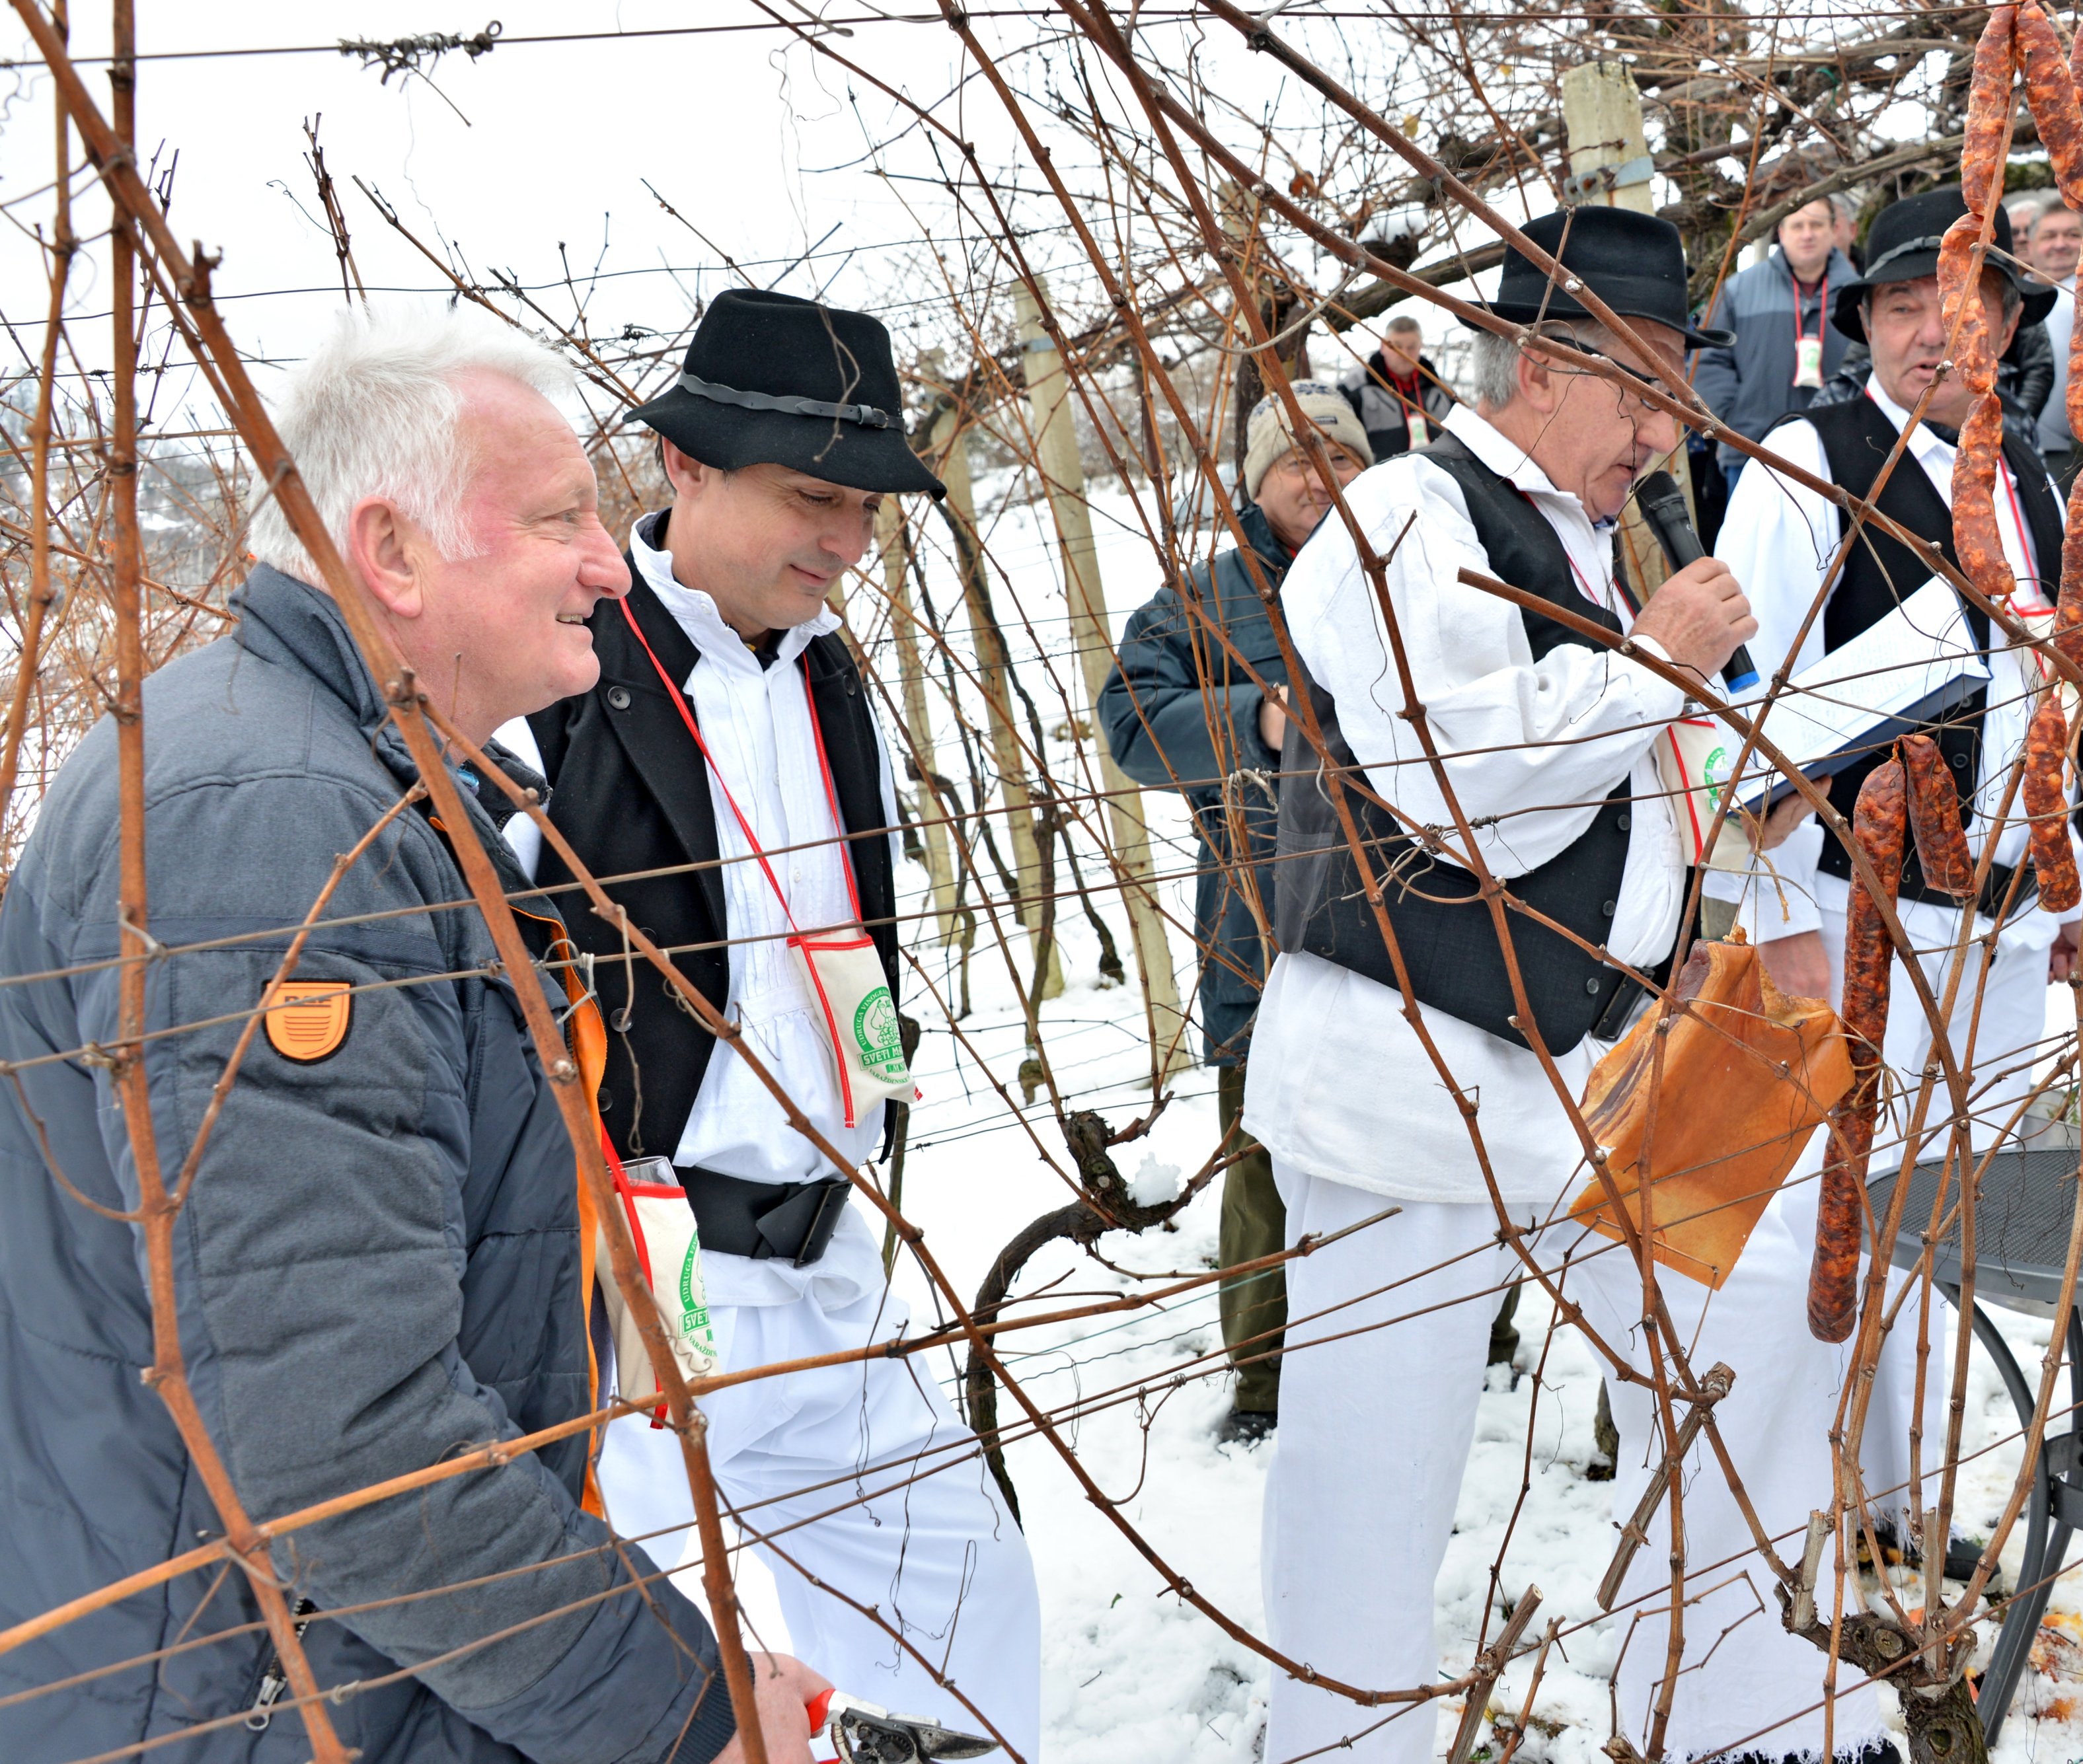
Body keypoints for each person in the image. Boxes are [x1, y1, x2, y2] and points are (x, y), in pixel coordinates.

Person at [0, 311, 823, 1761]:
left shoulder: (348, 771)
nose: (606, 560)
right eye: (562, 518)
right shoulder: (275, 825)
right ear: (389, 552)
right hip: (243, 1698)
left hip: (281, 1665)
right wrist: (682, 1713)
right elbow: (343, 1439)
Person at [1250, 203, 1911, 1764]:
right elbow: (1458, 788)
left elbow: (1614, 777)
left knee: (1763, 1290)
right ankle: (1342, 1747)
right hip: (1407, 1079)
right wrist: (1657, 662)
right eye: (1643, 387)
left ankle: (1718, 1689)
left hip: (1585, 1061)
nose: (1663, 427)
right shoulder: (1405, 515)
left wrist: (1706, 858)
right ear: (1540, 368)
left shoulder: (1583, 543)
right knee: (1373, 1465)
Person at [509, 290, 1041, 1753]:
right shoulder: (554, 671)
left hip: (827, 1257)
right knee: (672, 1696)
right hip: (636, 1281)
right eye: (811, 496)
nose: (846, 539)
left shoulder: (829, 674)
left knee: (964, 1605)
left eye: (866, 506)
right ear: (684, 468)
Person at [1718, 184, 2083, 1163]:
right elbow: (1748, 710)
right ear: (1869, 326)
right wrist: (1777, 920)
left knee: (1970, 1209)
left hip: (2013, 926)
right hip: (1868, 923)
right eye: (1904, 307)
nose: (1935, 332)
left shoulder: (2036, 473)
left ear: (2011, 320)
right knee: (1848, 1202)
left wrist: (2071, 886)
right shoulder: (1804, 464)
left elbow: (2061, 693)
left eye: (1965, 302)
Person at [1097, 381, 1381, 1446]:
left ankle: (1466, 1327)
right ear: (1255, 482)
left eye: (1341, 455)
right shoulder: (1202, 600)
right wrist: (1248, 718)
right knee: (1265, 1152)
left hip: (1421, 922)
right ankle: (1264, 1380)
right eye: (1293, 458)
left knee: (1432, 1133)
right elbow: (1126, 722)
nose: (1321, 476)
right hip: (1262, 924)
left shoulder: (1412, 571)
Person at [1691, 194, 1862, 484]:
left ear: (1834, 230)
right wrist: (1733, 422)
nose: (1807, 234)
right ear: (1781, 233)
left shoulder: (1859, 293)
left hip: (1841, 452)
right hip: (1752, 451)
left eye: (1816, 225)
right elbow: (1708, 359)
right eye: (1797, 226)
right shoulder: (1738, 289)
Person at [2026, 202, 2083, 480]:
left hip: (2074, 451)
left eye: (2072, 235)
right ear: (2030, 246)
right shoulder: (2010, 299)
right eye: (2049, 236)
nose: (2061, 244)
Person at [1338, 314, 1455, 460]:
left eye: (1411, 347)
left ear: (1420, 347)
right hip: (1377, 478)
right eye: (1396, 347)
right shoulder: (1355, 387)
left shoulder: (1441, 389)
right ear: (1383, 347)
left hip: (1433, 477)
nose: (1404, 354)